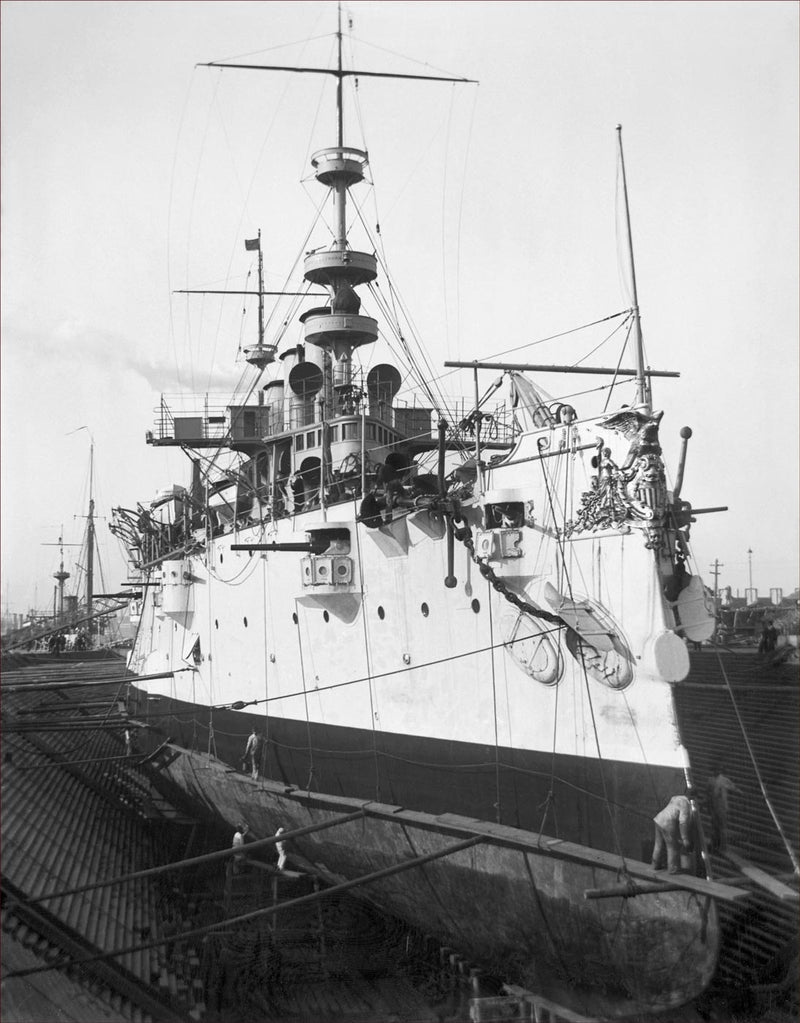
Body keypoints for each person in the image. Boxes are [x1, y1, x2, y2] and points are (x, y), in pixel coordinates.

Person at [652, 793, 693, 874]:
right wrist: (684, 838)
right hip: (668, 823)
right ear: (692, 798)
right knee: (672, 847)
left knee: (658, 844)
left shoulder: (676, 797)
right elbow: (683, 822)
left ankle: (655, 865)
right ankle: (672, 869)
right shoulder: (686, 803)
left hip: (659, 819)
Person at [707, 766, 741, 853]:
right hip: (714, 807)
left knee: (722, 827)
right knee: (715, 827)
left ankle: (722, 846)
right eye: (714, 770)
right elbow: (707, 793)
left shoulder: (724, 780)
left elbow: (733, 788)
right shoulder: (710, 780)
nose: (715, 772)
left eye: (717, 770)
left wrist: (740, 792)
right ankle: (714, 844)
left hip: (721, 807)